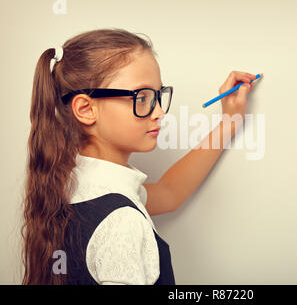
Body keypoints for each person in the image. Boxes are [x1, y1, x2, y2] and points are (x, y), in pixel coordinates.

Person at [21, 28, 256, 285]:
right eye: (141, 97)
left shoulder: (74, 185)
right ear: (86, 109)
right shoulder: (121, 221)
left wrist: (229, 122)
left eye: (158, 95)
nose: (158, 111)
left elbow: (169, 192)